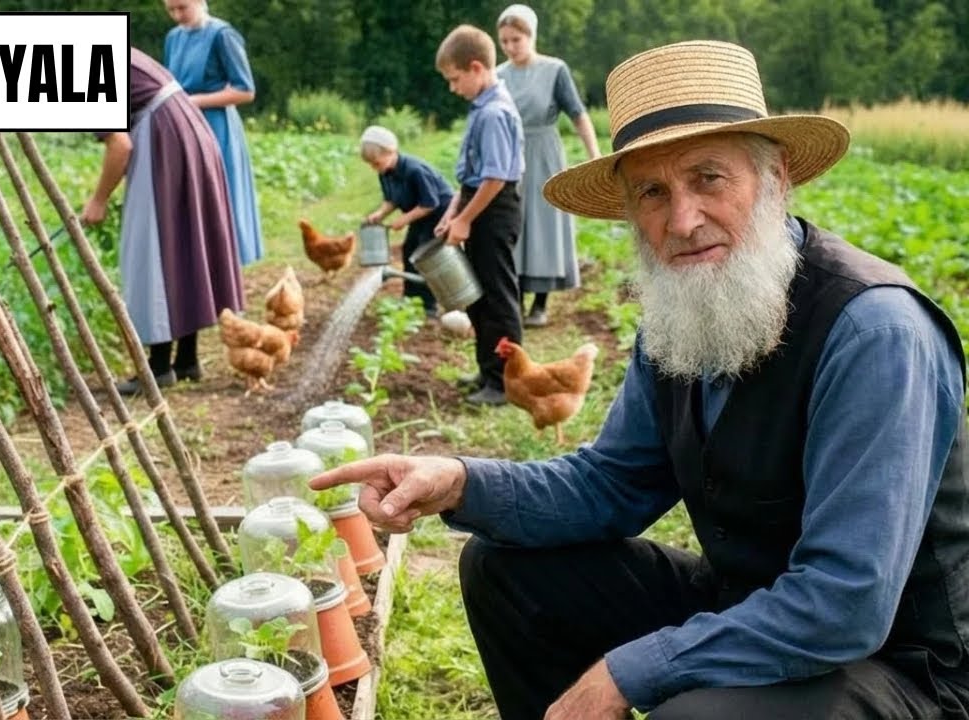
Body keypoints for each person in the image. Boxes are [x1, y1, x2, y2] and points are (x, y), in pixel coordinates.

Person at [312, 40, 968, 720]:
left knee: (696, 715)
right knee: (502, 570)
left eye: (709, 178)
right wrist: (460, 480)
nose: (681, 221)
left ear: (774, 181)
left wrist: (631, 672)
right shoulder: (686, 311)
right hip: (749, 601)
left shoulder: (873, 332)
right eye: (653, 192)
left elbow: (846, 602)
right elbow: (611, 483)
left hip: (900, 666)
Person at [81, 47, 244, 396]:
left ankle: (157, 368)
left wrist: (98, 200)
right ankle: (186, 360)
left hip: (163, 138)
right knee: (185, 243)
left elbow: (119, 146)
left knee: (153, 249)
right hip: (188, 128)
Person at [432, 25, 525, 406]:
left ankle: (505, 382)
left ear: (476, 68)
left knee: (498, 298)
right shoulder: (481, 107)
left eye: (455, 80)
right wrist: (453, 213)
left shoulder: (494, 113)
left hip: (495, 211)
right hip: (478, 204)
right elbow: (471, 178)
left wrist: (466, 219)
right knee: (478, 297)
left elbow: (495, 178)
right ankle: (487, 371)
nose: (453, 88)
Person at [496, 4, 601, 327]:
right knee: (514, 223)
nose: (511, 47)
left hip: (544, 153)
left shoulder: (555, 70)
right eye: (505, 41)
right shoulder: (498, 76)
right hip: (511, 153)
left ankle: (540, 303)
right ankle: (516, 297)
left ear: (531, 36)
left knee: (542, 224)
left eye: (517, 39)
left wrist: (594, 155)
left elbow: (578, 114)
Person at [162, 0, 264, 266]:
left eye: (182, 7)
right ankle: (198, 265)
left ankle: (227, 269)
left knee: (220, 197)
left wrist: (194, 102)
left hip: (217, 127)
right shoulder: (173, 38)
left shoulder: (222, 35)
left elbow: (245, 90)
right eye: (170, 9)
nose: (177, 15)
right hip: (183, 127)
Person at [360, 124, 454, 319]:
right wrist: (380, 214)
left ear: (391, 151)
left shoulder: (414, 170)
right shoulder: (385, 173)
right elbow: (392, 199)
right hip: (420, 214)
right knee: (409, 250)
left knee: (425, 257)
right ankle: (411, 298)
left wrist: (403, 220)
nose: (374, 168)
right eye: (371, 165)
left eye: (376, 163)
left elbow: (430, 203)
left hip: (439, 215)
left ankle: (429, 305)